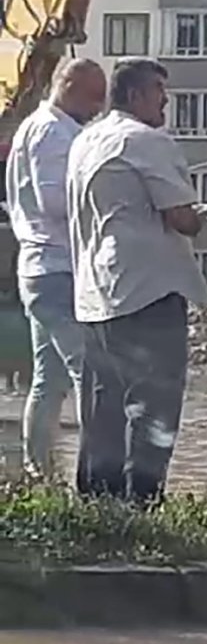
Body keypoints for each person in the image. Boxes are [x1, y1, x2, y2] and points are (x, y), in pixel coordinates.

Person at [67, 57, 207, 504]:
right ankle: (144, 504)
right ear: (134, 96)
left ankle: (98, 507)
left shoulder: (84, 140)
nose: (165, 101)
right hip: (149, 291)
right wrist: (197, 214)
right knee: (155, 405)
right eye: (159, 92)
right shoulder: (146, 140)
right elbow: (181, 219)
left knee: (103, 408)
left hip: (96, 293)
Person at [5, 59, 107, 475]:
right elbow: (54, 201)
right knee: (90, 371)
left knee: (49, 379)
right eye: (94, 96)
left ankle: (39, 471)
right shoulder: (52, 133)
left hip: (41, 268)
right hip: (56, 267)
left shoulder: (42, 126)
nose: (99, 107)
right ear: (68, 86)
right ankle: (97, 475)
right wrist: (108, 203)